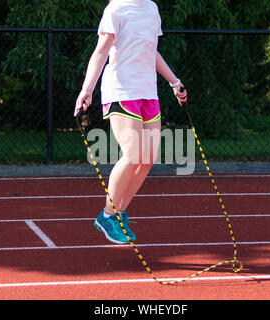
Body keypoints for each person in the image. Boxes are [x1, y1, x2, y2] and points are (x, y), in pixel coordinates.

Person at [74, 0, 187, 244]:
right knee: (133, 153)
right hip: (121, 91)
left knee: (147, 159)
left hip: (148, 93)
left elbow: (150, 50)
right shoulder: (115, 11)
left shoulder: (151, 9)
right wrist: (87, 88)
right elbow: (101, 51)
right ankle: (107, 215)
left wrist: (173, 81)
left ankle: (120, 212)